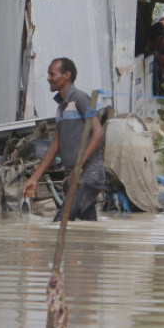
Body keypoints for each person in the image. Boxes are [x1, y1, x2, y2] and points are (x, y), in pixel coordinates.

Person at [22, 58, 106, 220]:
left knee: (61, 221)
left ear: (66, 75)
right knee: (89, 228)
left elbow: (98, 132)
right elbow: (55, 146)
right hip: (74, 176)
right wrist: (34, 178)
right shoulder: (61, 108)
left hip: (88, 174)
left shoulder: (80, 98)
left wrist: (78, 166)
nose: (48, 78)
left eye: (52, 74)